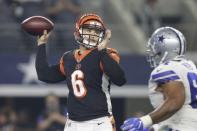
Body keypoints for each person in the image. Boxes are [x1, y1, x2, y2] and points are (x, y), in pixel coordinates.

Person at [35, 13, 126, 131]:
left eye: (96, 31)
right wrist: (41, 44)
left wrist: (102, 51)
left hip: (99, 121)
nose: (93, 34)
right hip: (73, 123)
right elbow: (44, 75)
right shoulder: (68, 57)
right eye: (89, 29)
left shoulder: (106, 54)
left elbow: (120, 79)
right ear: (78, 32)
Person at [121, 27, 197, 131]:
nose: (152, 52)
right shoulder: (189, 66)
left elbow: (176, 101)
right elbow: (171, 119)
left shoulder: (166, 68)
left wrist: (144, 121)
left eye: (154, 48)